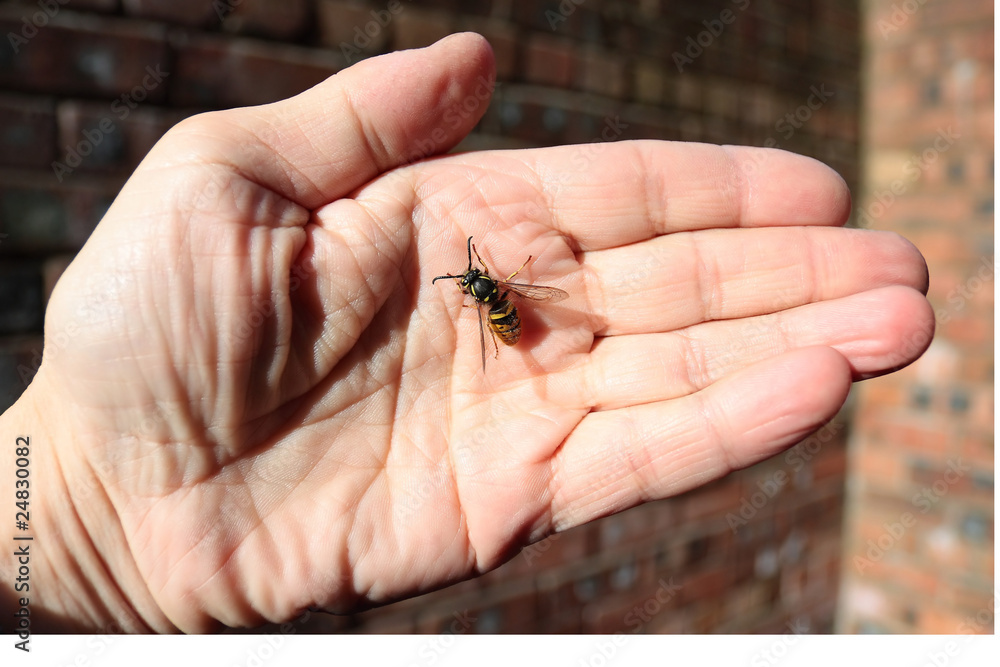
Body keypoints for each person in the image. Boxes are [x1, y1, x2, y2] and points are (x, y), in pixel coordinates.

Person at [0, 33, 933, 633]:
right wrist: (79, 522)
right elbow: (496, 298)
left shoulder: (495, 287)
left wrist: (78, 525)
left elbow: (500, 294)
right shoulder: (492, 290)